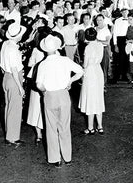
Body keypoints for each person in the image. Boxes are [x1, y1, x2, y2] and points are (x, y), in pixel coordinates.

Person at [36, 34, 83, 168]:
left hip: (49, 96)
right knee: (64, 127)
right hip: (63, 95)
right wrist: (70, 81)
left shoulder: (42, 64)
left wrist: (44, 91)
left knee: (51, 128)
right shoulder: (65, 60)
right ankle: (67, 156)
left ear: (45, 49)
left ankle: (55, 158)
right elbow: (80, 71)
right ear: (57, 47)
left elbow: (39, 84)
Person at [0, 22, 26, 146]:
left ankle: (9, 135)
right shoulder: (13, 49)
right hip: (14, 79)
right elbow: (14, 69)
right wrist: (20, 87)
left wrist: (4, 71)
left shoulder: (5, 44)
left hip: (6, 77)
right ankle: (13, 138)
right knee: (15, 109)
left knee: (9, 107)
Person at [78, 28, 105, 134]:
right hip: (98, 71)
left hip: (90, 72)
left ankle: (90, 128)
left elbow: (85, 64)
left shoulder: (88, 48)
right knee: (98, 98)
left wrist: (81, 68)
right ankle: (100, 126)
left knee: (90, 98)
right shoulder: (100, 45)